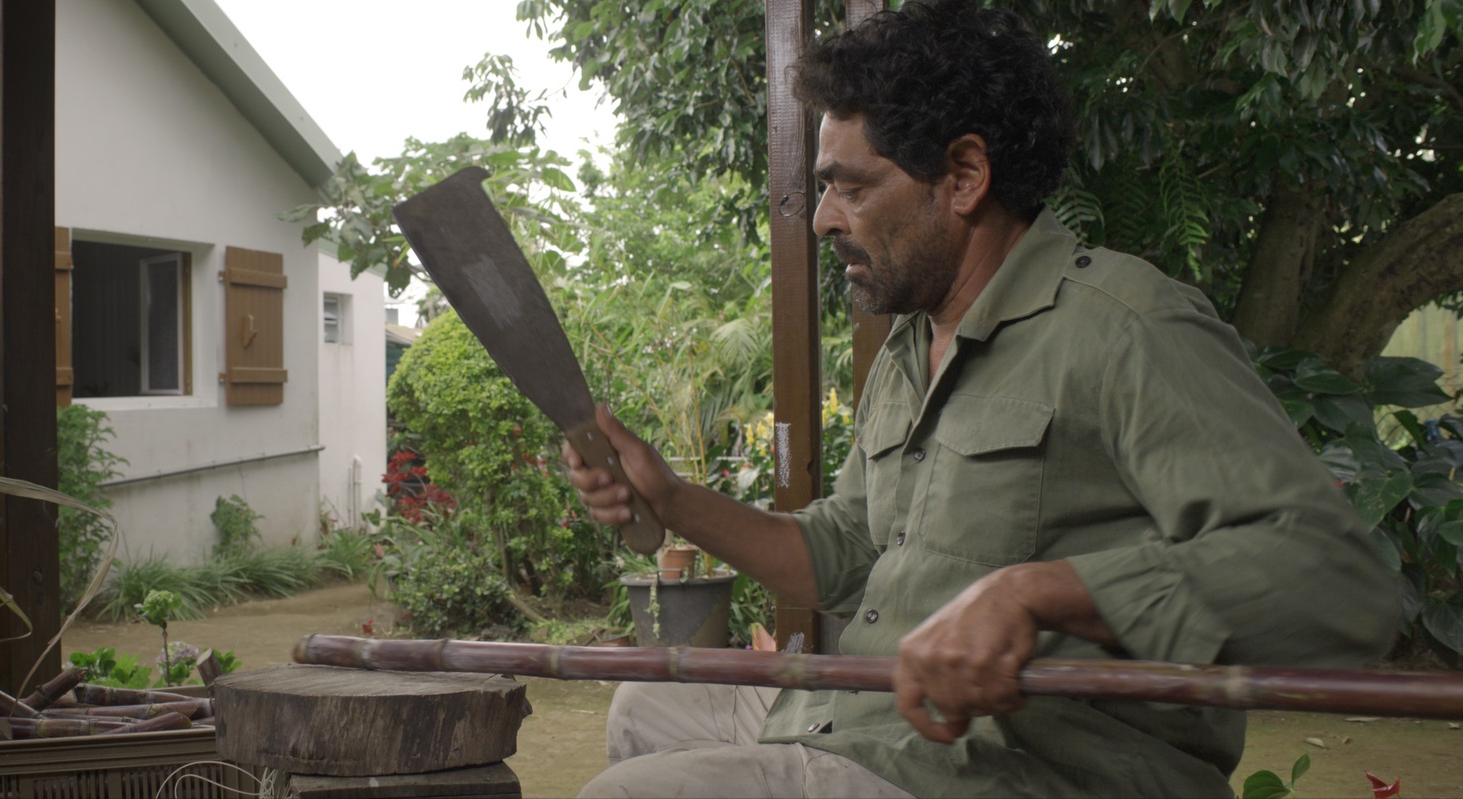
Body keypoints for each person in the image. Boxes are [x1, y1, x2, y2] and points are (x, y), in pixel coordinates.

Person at [564, 1, 1397, 796]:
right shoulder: (908, 348)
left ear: (963, 176)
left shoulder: (1125, 328)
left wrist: (1043, 593)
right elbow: (845, 551)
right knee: (650, 703)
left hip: (1024, 771)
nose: (821, 219)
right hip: (876, 721)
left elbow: (1335, 580)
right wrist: (674, 499)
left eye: (851, 187)